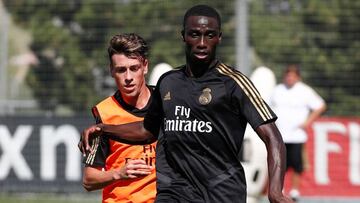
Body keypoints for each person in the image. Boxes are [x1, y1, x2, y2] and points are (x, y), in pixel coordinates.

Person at [80, 5, 293, 203]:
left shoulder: (234, 83)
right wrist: (103, 128)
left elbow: (273, 138)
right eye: (194, 34)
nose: (201, 42)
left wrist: (275, 190)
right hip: (174, 191)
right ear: (184, 36)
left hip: (220, 193)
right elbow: (147, 129)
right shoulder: (168, 82)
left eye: (209, 35)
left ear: (219, 38)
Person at [80, 33, 157, 203]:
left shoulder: (166, 103)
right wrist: (119, 173)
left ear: (145, 66)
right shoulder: (105, 115)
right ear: (111, 71)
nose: (128, 78)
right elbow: (88, 180)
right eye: (121, 70)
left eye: (134, 68)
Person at [270, 64, 326, 201]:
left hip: (296, 136)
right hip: (279, 135)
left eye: (292, 76)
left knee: (296, 165)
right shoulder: (277, 90)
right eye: (287, 75)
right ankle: (279, 190)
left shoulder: (305, 91)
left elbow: (320, 106)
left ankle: (295, 191)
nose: (289, 78)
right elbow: (266, 107)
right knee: (279, 164)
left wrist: (308, 122)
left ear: (298, 77)